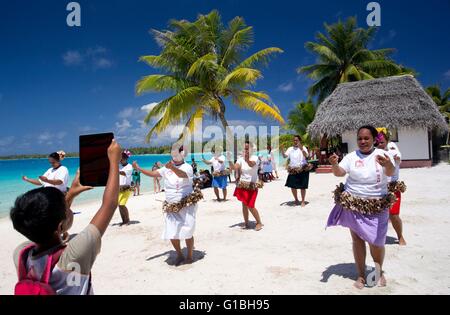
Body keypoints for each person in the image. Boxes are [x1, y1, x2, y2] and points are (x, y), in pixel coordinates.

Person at [11, 140, 121, 295]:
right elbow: (109, 205)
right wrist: (114, 161)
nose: (68, 209)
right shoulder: (74, 255)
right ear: (60, 226)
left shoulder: (21, 255)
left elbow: (44, 226)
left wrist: (69, 196)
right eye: (66, 209)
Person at [327, 125, 396, 289]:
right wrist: (335, 165)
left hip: (377, 204)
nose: (363, 141)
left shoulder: (382, 155)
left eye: (366, 138)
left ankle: (378, 272)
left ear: (374, 139)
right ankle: (361, 275)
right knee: (357, 240)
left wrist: (387, 165)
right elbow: (339, 173)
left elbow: (391, 172)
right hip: (354, 204)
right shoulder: (351, 157)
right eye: (360, 138)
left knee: (377, 242)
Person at [133, 144, 201, 266]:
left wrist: (172, 168)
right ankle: (180, 254)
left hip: (186, 203)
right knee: (172, 231)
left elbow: (183, 175)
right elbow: (153, 173)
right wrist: (139, 168)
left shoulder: (187, 167)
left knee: (188, 230)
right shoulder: (166, 168)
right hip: (171, 205)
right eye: (173, 153)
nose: (175, 155)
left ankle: (190, 256)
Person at [376, 130, 407, 246]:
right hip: (379, 188)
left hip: (393, 187)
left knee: (394, 215)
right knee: (377, 215)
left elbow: (397, 158)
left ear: (387, 140)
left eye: (382, 141)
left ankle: (400, 236)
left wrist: (395, 159)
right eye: (377, 141)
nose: (380, 143)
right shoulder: (374, 152)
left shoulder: (392, 147)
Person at [228, 141, 264, 231]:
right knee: (244, 205)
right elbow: (234, 168)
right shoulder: (240, 159)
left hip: (252, 186)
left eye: (247, 148)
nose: (246, 150)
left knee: (250, 205)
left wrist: (247, 159)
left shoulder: (255, 158)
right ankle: (246, 222)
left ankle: (259, 222)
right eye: (245, 148)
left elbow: (251, 164)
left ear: (252, 148)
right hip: (242, 185)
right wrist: (229, 160)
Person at [281, 135, 311, 207]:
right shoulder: (290, 148)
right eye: (294, 140)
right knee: (292, 186)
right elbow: (285, 156)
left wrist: (302, 149)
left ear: (299, 141)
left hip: (303, 169)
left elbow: (307, 156)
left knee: (303, 186)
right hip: (293, 169)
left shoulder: (303, 147)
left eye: (297, 140)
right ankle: (296, 199)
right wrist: (282, 151)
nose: (295, 141)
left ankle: (303, 201)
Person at [118, 151, 133, 226]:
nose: (120, 160)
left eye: (122, 159)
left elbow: (124, 173)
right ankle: (123, 221)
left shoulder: (129, 166)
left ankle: (127, 220)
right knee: (119, 205)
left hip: (126, 188)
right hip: (119, 189)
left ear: (126, 159)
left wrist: (115, 170)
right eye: (120, 158)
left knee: (122, 204)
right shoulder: (119, 166)